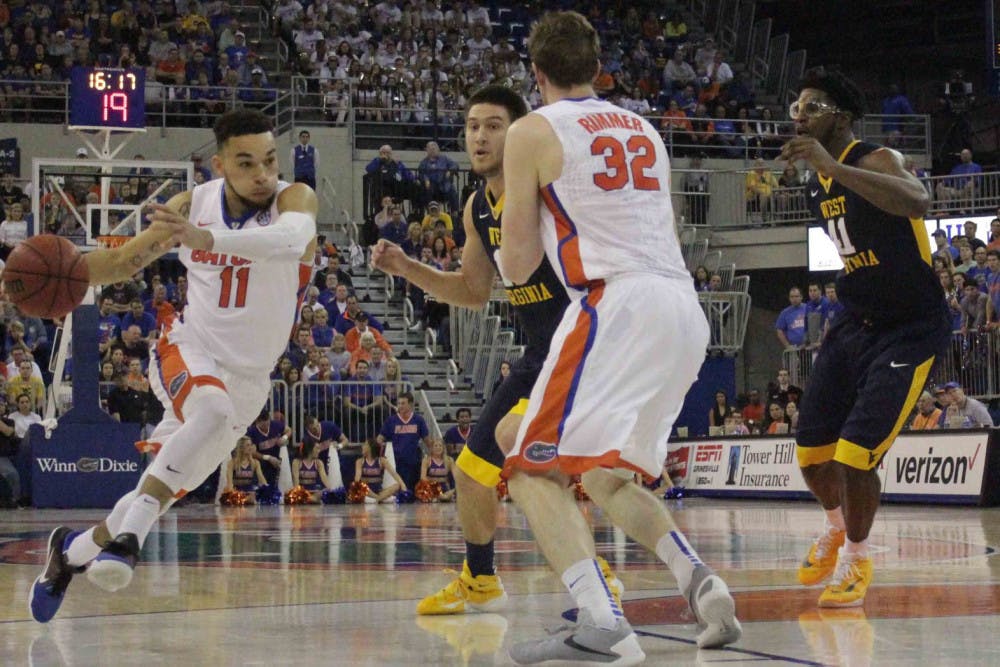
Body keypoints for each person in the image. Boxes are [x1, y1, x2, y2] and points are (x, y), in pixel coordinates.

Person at [373, 84, 739, 651]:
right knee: (481, 470)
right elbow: (472, 291)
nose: (480, 136)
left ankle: (601, 598)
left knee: (530, 460)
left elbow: (536, 260)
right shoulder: (476, 206)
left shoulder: (546, 183)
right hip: (562, 346)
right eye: (472, 125)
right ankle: (484, 580)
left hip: (589, 335)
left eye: (494, 125)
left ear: (520, 131)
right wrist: (405, 268)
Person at [497, 13, 739, 661]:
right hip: (682, 306)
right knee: (605, 473)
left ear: (536, 72)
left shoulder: (530, 130)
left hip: (615, 304)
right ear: (599, 66)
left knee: (527, 468)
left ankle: (602, 622)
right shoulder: (644, 129)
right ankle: (702, 583)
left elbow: (518, 265)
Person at [29, 108, 318, 623]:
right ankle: (128, 542)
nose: (262, 174)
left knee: (162, 487)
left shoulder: (293, 200)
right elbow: (121, 263)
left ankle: (69, 552)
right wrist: (53, 273)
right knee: (205, 415)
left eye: (270, 161)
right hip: (190, 347)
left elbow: (291, 241)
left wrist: (207, 241)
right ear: (220, 164)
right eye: (247, 163)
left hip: (252, 381)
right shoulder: (192, 205)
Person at [782, 67, 950, 609]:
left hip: (909, 326)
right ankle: (834, 527)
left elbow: (919, 203)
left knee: (856, 456)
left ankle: (857, 554)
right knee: (810, 453)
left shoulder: (875, 159)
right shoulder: (816, 181)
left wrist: (834, 166)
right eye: (797, 107)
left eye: (813, 106)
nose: (801, 115)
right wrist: (824, 171)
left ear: (843, 116)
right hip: (855, 321)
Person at [354, 439, 405, 503]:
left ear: (370, 447)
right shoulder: (359, 461)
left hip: (379, 490)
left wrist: (403, 486)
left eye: (365, 444)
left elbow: (394, 474)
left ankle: (375, 500)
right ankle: (380, 499)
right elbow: (357, 479)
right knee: (359, 485)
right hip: (366, 490)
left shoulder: (381, 460)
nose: (362, 446)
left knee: (397, 485)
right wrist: (358, 484)